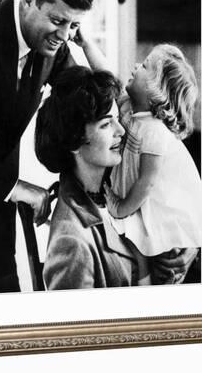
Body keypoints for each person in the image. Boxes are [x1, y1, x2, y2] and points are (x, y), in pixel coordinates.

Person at [0, 0, 94, 293]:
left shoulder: (54, 49)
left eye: (74, 25)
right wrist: (13, 186)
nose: (64, 35)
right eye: (58, 20)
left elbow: (89, 98)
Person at [80, 40, 202, 284]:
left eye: (144, 65)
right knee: (133, 237)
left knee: (150, 244)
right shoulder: (128, 108)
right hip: (137, 199)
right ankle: (144, 281)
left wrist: (121, 206)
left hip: (157, 204)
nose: (136, 65)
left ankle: (149, 285)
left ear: (155, 90)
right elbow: (105, 71)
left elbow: (146, 182)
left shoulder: (155, 131)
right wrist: (85, 44)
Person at [35, 66, 137, 289]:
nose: (120, 130)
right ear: (74, 140)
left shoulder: (119, 187)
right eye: (105, 124)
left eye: (117, 119)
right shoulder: (70, 242)